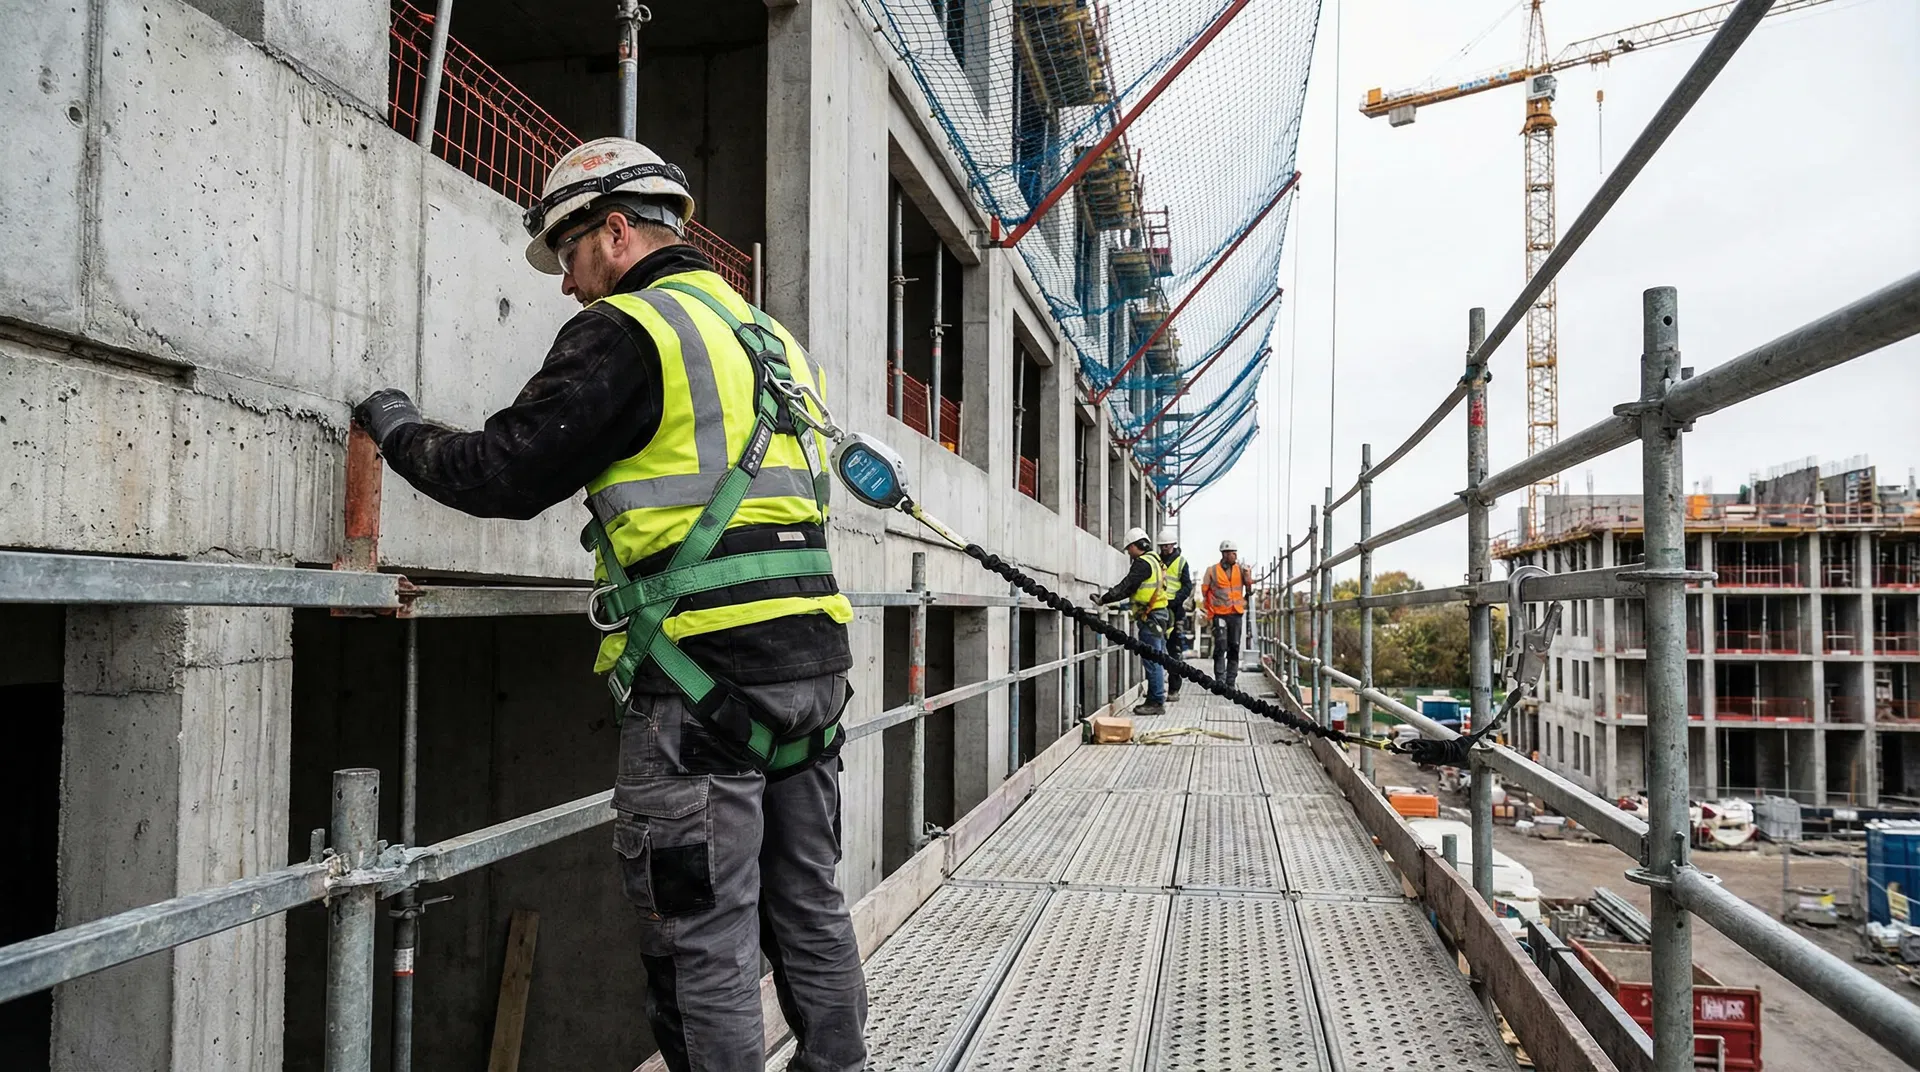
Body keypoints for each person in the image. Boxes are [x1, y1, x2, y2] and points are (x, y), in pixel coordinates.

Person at [352, 138, 866, 1072]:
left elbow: (501, 474)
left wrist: (392, 422)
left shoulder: (630, 329)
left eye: (568, 252)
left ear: (617, 232)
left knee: (699, 941)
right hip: (813, 676)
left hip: (704, 692)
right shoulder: (771, 339)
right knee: (811, 912)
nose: (564, 283)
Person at [1092, 526, 1170, 715]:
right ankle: (1156, 697)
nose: (1129, 553)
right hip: (1158, 613)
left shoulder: (1142, 563)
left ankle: (1156, 702)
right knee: (1157, 658)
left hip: (1151, 617)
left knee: (1152, 660)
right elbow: (1142, 591)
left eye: (1129, 549)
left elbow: (1126, 587)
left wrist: (1104, 599)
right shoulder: (1156, 560)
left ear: (1137, 546)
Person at [1202, 539, 1249, 689]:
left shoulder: (1241, 570)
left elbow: (1249, 588)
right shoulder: (1212, 570)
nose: (1234, 556)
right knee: (1220, 645)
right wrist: (1210, 612)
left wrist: (1248, 577)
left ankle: (1231, 681)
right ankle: (1220, 680)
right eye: (1232, 553)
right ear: (1224, 554)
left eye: (1235, 553)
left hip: (1236, 613)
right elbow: (1205, 592)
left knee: (1234, 646)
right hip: (1220, 614)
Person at [1157, 532, 1192, 700]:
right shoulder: (1156, 561)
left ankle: (1173, 689)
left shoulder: (1181, 562)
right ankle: (1156, 688)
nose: (1164, 548)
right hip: (1157, 608)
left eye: (1167, 545)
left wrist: (1175, 600)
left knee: (1174, 651)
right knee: (1154, 648)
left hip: (1175, 610)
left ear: (1173, 545)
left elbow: (1187, 586)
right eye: (1162, 546)